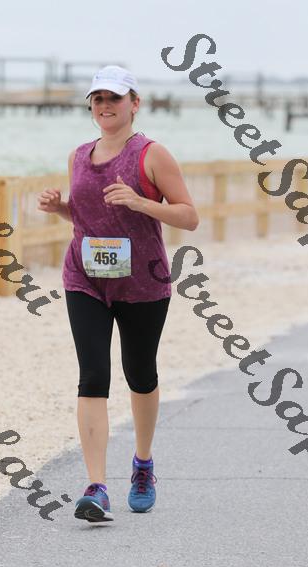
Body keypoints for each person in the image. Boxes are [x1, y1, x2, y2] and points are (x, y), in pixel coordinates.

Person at [37, 65, 199, 524]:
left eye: (114, 98)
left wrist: (140, 201)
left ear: (134, 103)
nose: (105, 106)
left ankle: (143, 465)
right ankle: (96, 487)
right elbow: (88, 216)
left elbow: (189, 217)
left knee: (140, 374)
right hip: (85, 277)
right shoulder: (78, 156)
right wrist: (60, 208)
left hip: (143, 281)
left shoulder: (152, 154)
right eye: (98, 99)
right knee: (92, 375)